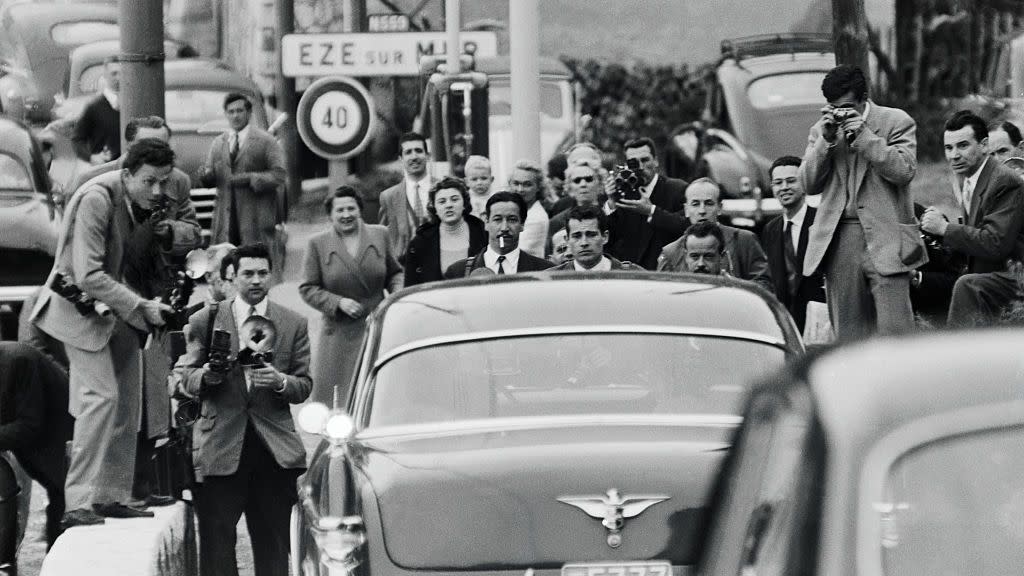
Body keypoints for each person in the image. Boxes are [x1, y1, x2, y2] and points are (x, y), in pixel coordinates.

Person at [30, 139, 175, 527]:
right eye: (150, 182)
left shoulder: (134, 198)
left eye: (163, 182)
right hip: (78, 313)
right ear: (127, 174)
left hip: (114, 314)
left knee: (128, 399)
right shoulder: (97, 198)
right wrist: (143, 307)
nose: (158, 191)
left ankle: (112, 496)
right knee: (101, 398)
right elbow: (89, 274)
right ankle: (76, 502)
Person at [173, 243, 311, 576]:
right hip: (221, 444)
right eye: (247, 273)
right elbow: (183, 378)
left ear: (272, 276)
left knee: (275, 548)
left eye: (263, 273)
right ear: (232, 277)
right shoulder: (205, 320)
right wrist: (208, 375)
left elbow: (304, 385)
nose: (255, 280)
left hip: (273, 450)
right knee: (217, 548)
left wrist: (279, 381)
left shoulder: (293, 323)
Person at [799, 64, 924, 340]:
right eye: (833, 107)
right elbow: (808, 184)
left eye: (846, 107)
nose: (840, 113)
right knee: (849, 338)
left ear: (863, 97)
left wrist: (866, 137)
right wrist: (826, 142)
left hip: (888, 236)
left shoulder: (896, 121)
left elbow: (904, 171)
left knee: (897, 335)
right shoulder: (820, 131)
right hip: (840, 237)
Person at [300, 187, 403, 405]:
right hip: (338, 334)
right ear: (330, 215)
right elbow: (307, 287)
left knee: (376, 396)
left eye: (351, 208)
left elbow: (395, 273)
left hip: (375, 328)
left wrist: (394, 297)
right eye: (340, 210)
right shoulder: (317, 244)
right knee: (339, 401)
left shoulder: (380, 234)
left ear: (360, 210)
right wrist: (338, 302)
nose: (346, 214)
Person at [920, 111, 1024, 326]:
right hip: (992, 269)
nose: (954, 155)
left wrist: (945, 229)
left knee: (967, 286)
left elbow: (995, 244)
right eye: (949, 148)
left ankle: (957, 355)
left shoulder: (1004, 180)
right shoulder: (971, 179)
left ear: (984, 145)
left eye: (963, 145)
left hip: (1016, 274)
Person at [0, 343, 73, 553]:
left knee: (62, 507)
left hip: (58, 440)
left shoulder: (17, 361)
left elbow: (30, 425)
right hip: (39, 443)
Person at [200, 92, 287, 247]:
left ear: (249, 113)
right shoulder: (219, 143)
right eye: (231, 112)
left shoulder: (266, 141)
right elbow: (210, 173)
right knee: (225, 263)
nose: (235, 116)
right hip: (226, 222)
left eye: (240, 111)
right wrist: (207, 177)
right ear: (225, 114)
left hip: (256, 219)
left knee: (257, 264)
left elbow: (279, 175)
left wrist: (250, 178)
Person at [658, 178, 773, 291]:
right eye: (695, 204)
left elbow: (764, 286)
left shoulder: (744, 241)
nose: (702, 210)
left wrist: (734, 286)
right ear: (686, 209)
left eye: (708, 203)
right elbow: (662, 295)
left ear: (719, 208)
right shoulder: (670, 253)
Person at [759, 156, 826, 331]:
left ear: (805, 184)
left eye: (791, 181)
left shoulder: (822, 221)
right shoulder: (770, 230)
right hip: (786, 323)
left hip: (821, 321)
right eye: (778, 183)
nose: (784, 188)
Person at [606, 137, 689, 270]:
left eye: (644, 160)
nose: (640, 167)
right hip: (631, 275)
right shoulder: (623, 193)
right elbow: (609, 237)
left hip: (665, 272)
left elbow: (685, 226)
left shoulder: (677, 189)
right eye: (633, 162)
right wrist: (611, 203)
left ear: (655, 161)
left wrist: (652, 211)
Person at [444, 192, 555, 277]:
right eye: (497, 219)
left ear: (522, 224)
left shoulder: (545, 271)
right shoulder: (458, 272)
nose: (504, 228)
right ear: (486, 223)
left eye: (512, 220)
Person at [404, 177, 487, 286]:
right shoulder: (420, 243)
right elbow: (411, 286)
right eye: (442, 201)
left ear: (464, 204)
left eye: (454, 199)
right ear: (434, 208)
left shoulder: (483, 233)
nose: (449, 205)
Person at [379, 132, 434, 262]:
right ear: (401, 159)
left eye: (419, 151)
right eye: (408, 152)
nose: (414, 156)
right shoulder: (388, 197)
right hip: (404, 267)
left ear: (427, 155)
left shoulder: (444, 188)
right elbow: (383, 238)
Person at [551, 205, 640, 271]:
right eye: (577, 236)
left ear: (605, 237)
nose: (584, 243)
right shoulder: (551, 280)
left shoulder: (634, 275)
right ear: (567, 240)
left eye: (591, 235)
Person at [547, 158, 604, 255]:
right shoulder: (557, 222)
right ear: (569, 187)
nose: (583, 184)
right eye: (577, 180)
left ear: (599, 183)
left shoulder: (610, 213)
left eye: (588, 179)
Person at [72, 56, 120, 165]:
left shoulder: (133, 103)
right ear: (105, 75)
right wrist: (91, 157)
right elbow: (77, 139)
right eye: (114, 73)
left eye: (122, 73)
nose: (118, 78)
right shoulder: (94, 107)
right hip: (105, 168)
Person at [509, 159, 550, 257]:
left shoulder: (537, 218)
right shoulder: (516, 211)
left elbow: (514, 251)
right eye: (516, 183)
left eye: (527, 184)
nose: (520, 189)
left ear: (538, 187)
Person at [464, 155, 495, 219]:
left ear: (491, 179)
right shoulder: (465, 200)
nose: (479, 183)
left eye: (484, 178)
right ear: (466, 182)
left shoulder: (495, 198)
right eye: (474, 179)